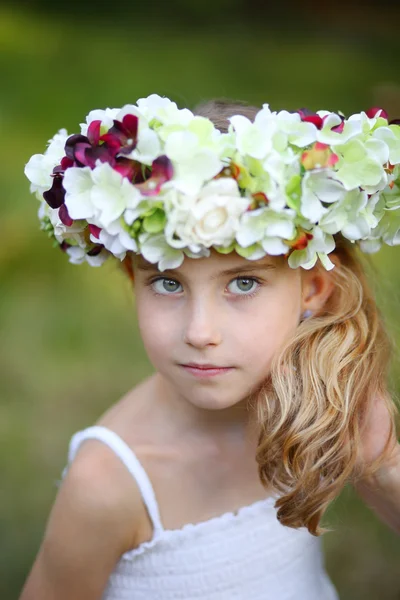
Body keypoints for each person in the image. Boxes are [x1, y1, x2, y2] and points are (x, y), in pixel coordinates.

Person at [20, 95, 400, 599]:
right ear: (132, 277)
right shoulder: (108, 483)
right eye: (169, 284)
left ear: (312, 288)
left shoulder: (307, 406)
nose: (200, 332)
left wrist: (385, 463)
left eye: (242, 283)